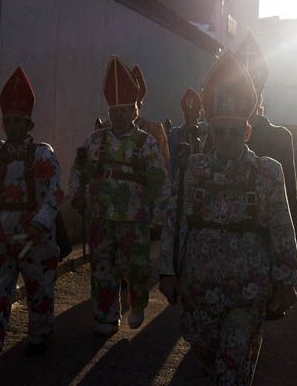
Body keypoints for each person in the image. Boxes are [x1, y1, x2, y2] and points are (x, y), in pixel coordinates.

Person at [159, 53, 297, 385]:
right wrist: (167, 270)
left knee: (232, 364)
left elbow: (282, 225)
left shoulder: (267, 172)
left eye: (234, 132)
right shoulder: (193, 170)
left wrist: (288, 278)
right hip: (199, 289)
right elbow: (174, 222)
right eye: (219, 132)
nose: (226, 140)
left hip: (247, 292)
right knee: (207, 355)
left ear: (247, 130)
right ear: (210, 129)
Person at [0, 67, 63, 376]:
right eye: (8, 120)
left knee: (40, 292)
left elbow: (54, 195)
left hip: (35, 238)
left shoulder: (43, 155)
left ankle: (39, 337)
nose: (12, 126)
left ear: (29, 122)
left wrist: (40, 224)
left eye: (18, 121)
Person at [70, 56, 169, 336]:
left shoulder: (146, 143)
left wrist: (158, 220)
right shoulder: (95, 140)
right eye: (115, 111)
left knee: (136, 269)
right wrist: (77, 193)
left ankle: (137, 303)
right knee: (102, 269)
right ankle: (106, 316)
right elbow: (80, 170)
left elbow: (160, 183)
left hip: (134, 220)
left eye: (125, 110)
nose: (119, 116)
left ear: (135, 112)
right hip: (102, 219)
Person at [237, 34, 297, 242]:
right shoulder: (220, 133)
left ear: (259, 98)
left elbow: (289, 195)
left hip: (265, 239)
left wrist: (293, 241)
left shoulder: (280, 138)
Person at [131, 65, 172, 179]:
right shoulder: (106, 131)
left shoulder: (155, 131)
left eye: (133, 106)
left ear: (139, 106)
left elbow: (164, 173)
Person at [167, 87, 204, 183]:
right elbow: (171, 159)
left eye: (194, 113)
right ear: (183, 115)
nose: (191, 116)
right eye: (187, 113)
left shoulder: (205, 133)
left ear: (199, 114)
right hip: (179, 179)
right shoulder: (176, 133)